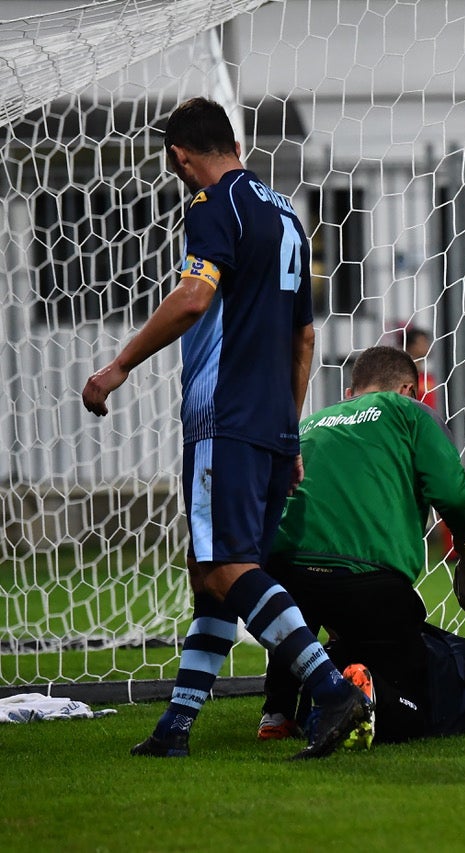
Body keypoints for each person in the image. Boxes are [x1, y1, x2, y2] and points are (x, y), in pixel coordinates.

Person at [81, 96, 373, 760]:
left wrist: (117, 366)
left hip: (225, 419)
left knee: (224, 568)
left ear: (181, 157)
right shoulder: (288, 217)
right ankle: (176, 725)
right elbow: (305, 337)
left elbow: (193, 296)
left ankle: (330, 688)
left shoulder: (216, 208)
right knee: (210, 570)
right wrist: (291, 435)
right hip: (271, 422)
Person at [259, 345, 465, 743]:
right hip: (369, 580)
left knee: (298, 619)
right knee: (416, 697)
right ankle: (372, 696)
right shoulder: (410, 412)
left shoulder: (311, 423)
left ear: (352, 390)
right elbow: (452, 495)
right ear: (408, 388)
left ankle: (278, 711)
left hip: (286, 573)